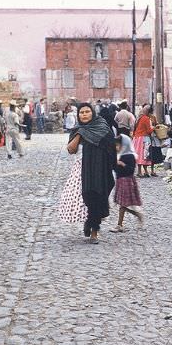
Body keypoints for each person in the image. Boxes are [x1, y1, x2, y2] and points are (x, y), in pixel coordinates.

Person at [66, 103, 116, 243]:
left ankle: (94, 231)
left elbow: (112, 146)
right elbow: (71, 150)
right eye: (81, 112)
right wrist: (80, 133)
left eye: (87, 111)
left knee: (98, 197)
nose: (84, 114)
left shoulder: (102, 126)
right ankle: (90, 222)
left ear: (93, 113)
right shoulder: (78, 129)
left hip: (101, 169)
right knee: (88, 197)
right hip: (84, 169)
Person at [110, 134, 145, 233]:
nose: (116, 147)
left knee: (123, 204)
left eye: (118, 145)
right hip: (120, 181)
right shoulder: (118, 155)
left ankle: (119, 225)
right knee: (123, 204)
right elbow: (115, 169)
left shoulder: (130, 156)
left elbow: (131, 170)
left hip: (127, 181)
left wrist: (122, 164)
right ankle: (137, 214)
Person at [133, 105, 154, 177]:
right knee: (145, 155)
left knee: (139, 155)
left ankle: (140, 171)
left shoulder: (139, 117)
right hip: (144, 138)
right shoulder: (146, 118)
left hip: (137, 138)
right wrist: (153, 128)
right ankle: (144, 172)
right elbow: (149, 131)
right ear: (149, 112)